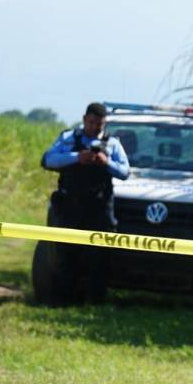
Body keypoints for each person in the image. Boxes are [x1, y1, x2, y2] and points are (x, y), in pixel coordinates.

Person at [40, 102, 130, 304]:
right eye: (92, 123)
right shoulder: (68, 139)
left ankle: (95, 301)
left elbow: (125, 172)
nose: (95, 127)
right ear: (84, 119)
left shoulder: (112, 144)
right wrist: (76, 158)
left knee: (100, 257)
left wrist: (107, 163)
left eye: (100, 124)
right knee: (66, 255)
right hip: (70, 207)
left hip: (99, 209)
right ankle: (64, 300)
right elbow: (48, 160)